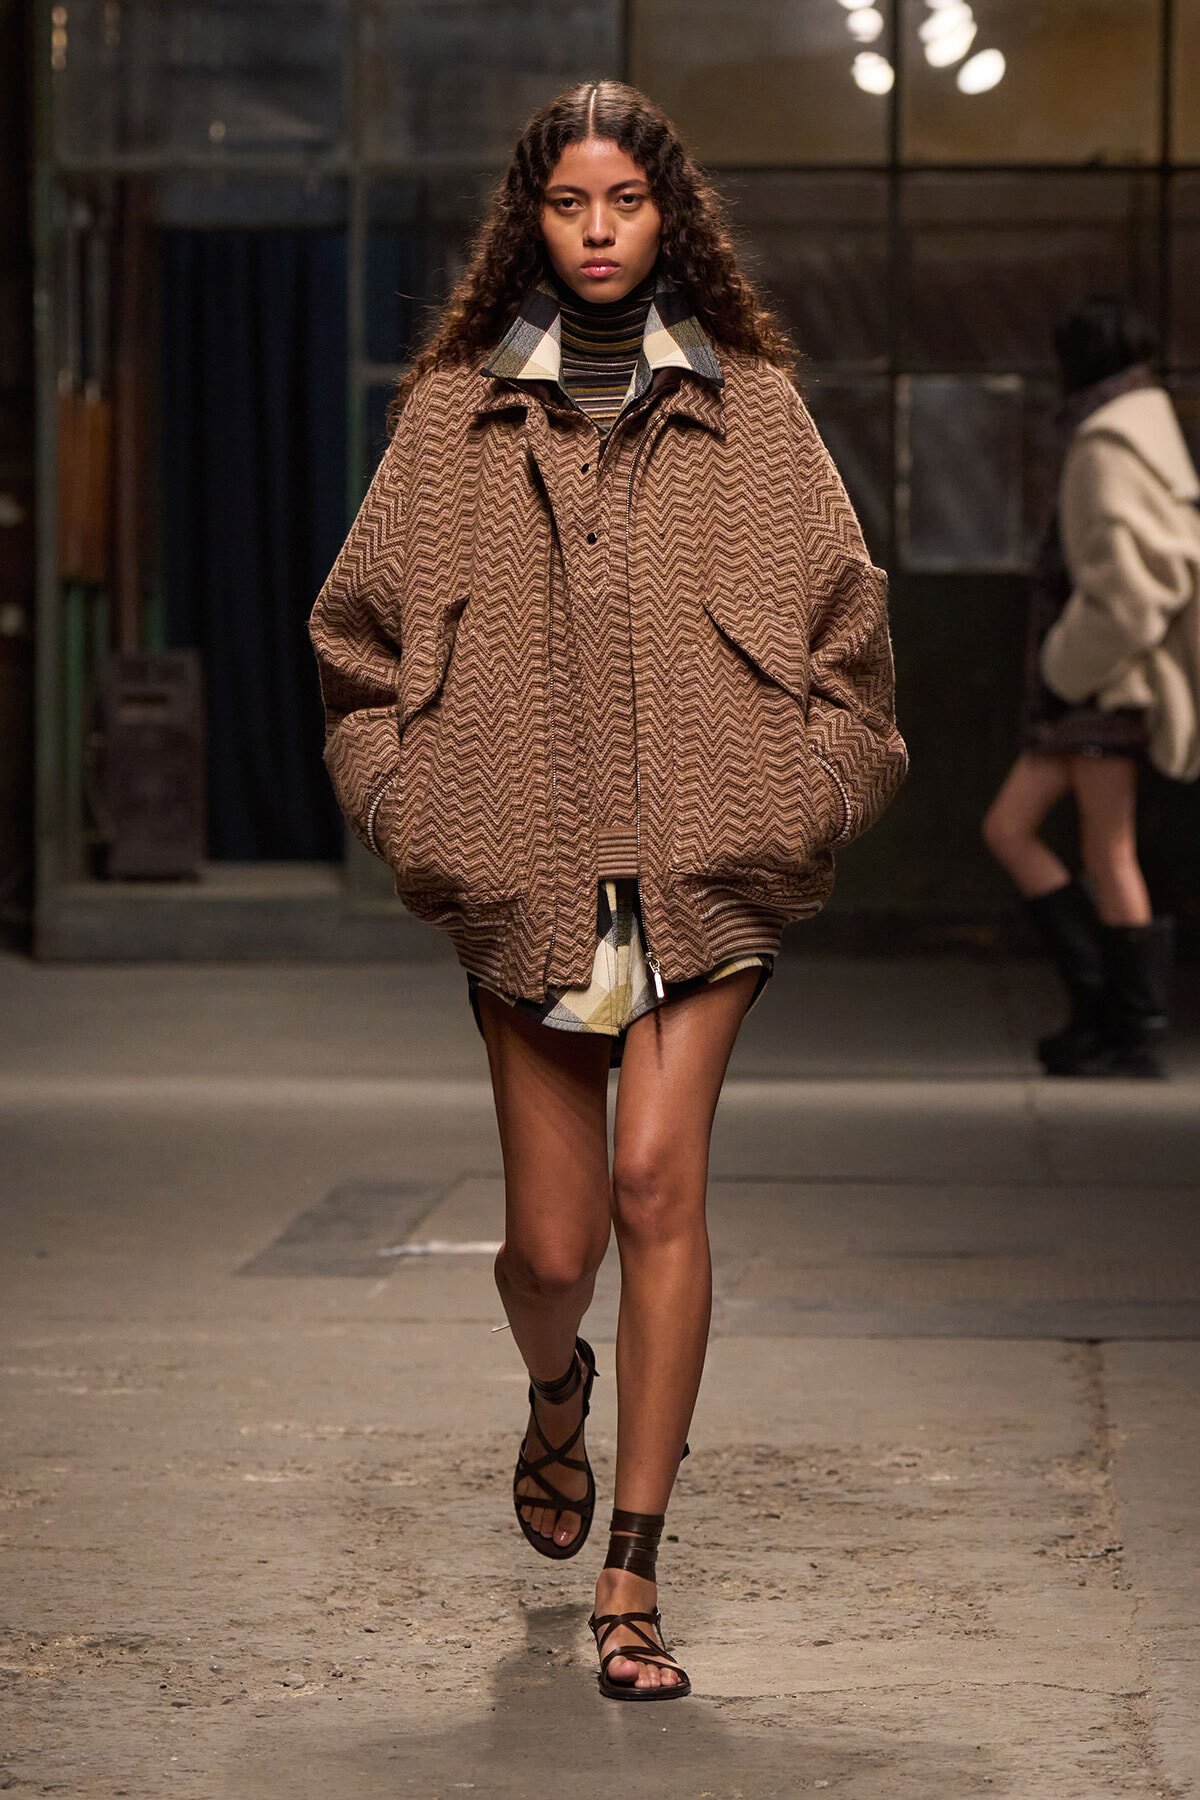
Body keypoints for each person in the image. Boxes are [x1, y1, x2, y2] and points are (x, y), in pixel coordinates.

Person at [310, 81, 905, 1700]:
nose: (595, 230)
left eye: (624, 203)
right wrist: (417, 815)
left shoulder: (752, 413)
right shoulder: (453, 419)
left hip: (710, 875)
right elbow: (354, 641)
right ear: (531, 218)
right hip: (525, 877)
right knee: (550, 1251)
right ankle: (554, 1390)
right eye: (568, 202)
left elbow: (851, 640)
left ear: (667, 217)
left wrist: (807, 801)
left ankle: (631, 1581)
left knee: (657, 1184)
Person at [983, 297, 1200, 1079]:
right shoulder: (1137, 429)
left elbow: (1136, 588)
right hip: (1096, 687)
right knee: (1053, 839)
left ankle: (1127, 1025)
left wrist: (1066, 665)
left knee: (1096, 849)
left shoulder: (1109, 443)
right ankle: (1109, 1015)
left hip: (1101, 687)